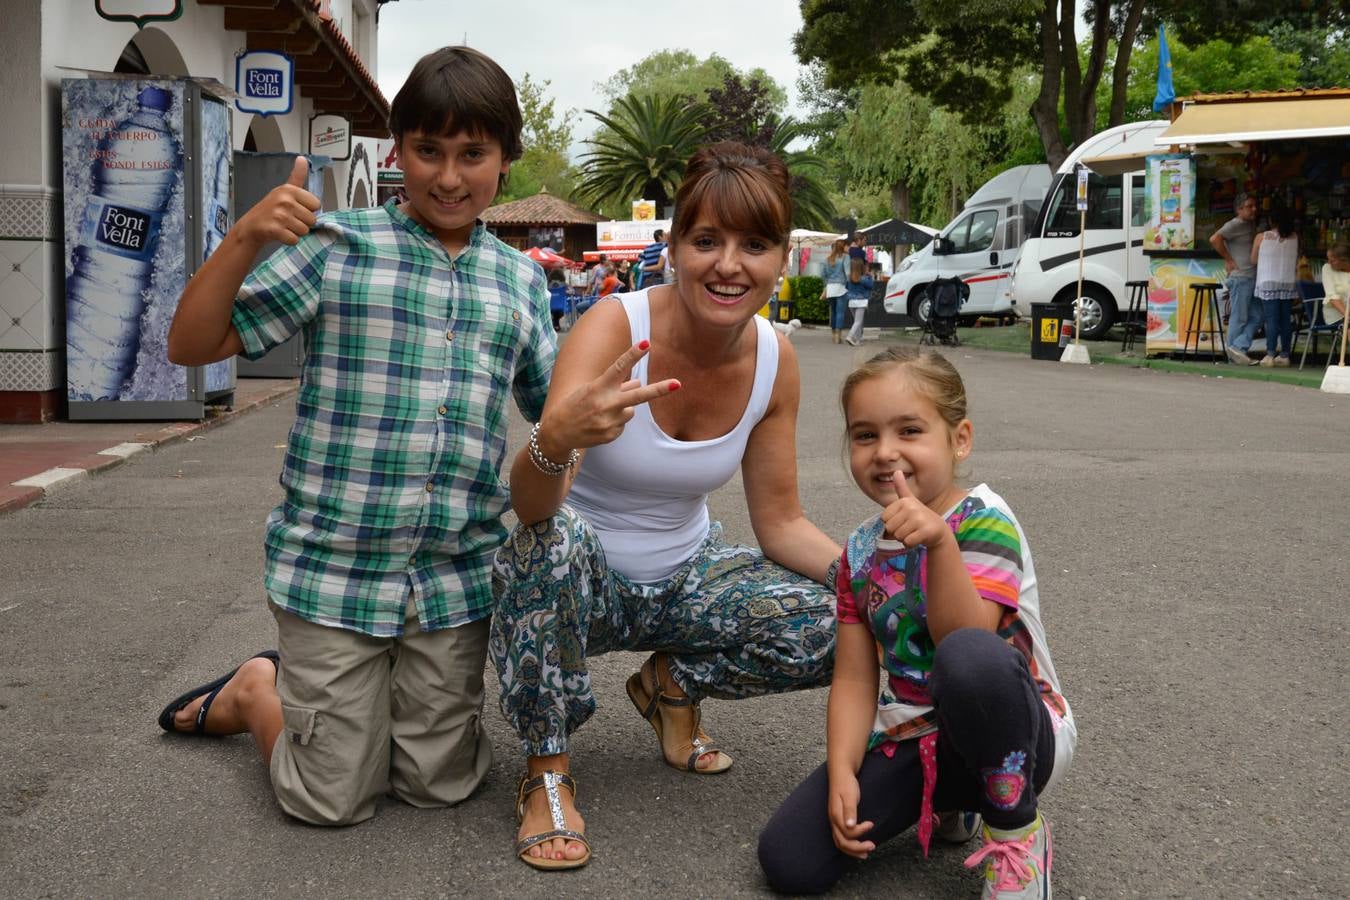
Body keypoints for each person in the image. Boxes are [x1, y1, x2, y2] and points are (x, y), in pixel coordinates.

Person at [155, 46, 556, 827]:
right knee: (327, 799)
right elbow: (190, 346)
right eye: (428, 151)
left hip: (452, 580)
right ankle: (254, 690)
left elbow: (553, 404)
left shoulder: (520, 280)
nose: (448, 177)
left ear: (505, 159)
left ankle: (372, 717)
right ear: (396, 150)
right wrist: (243, 240)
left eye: (473, 153)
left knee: (439, 785)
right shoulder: (336, 246)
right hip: (332, 574)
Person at [492, 141, 839, 870]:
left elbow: (780, 523)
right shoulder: (612, 330)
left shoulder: (777, 359)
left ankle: (670, 685)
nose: (728, 265)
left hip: (686, 576)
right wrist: (555, 439)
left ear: (780, 258)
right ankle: (546, 772)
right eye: (706, 240)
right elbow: (531, 508)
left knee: (844, 620)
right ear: (674, 247)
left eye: (755, 244)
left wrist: (877, 582)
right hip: (578, 584)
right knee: (540, 547)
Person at [758, 345, 1076, 897]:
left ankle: (1017, 831)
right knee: (790, 861)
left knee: (969, 660)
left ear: (959, 439)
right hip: (917, 731)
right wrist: (841, 773)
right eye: (864, 435)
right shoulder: (859, 553)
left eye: (909, 431)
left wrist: (940, 544)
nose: (885, 453)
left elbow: (967, 641)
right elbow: (856, 679)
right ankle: (954, 797)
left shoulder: (984, 520)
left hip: (1019, 734)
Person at [1209, 194, 1260, 365]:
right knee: (1239, 318)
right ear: (1239, 209)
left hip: (1250, 277)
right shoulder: (1235, 224)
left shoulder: (1249, 224)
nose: (1254, 209)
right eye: (1249, 206)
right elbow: (1215, 239)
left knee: (1258, 315)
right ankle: (1233, 354)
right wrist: (1229, 259)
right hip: (1241, 278)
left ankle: (1237, 349)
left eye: (1254, 206)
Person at [1253, 207, 1300, 367]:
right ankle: (1285, 355)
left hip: (1268, 282)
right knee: (1285, 320)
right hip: (1287, 283)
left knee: (1271, 320)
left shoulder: (1262, 237)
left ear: (1271, 221)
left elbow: (1253, 260)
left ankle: (1270, 355)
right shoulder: (1295, 237)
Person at [822, 239, 849, 343]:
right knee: (840, 312)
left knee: (833, 311)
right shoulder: (845, 257)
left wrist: (826, 285)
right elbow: (848, 273)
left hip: (830, 288)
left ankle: (833, 335)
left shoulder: (827, 259)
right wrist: (848, 284)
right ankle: (838, 335)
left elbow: (823, 275)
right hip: (841, 287)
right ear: (843, 247)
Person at [843, 256, 873, 347]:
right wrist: (870, 276)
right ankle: (850, 336)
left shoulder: (849, 279)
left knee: (857, 322)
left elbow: (846, 287)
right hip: (861, 301)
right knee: (858, 322)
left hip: (851, 302)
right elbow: (871, 286)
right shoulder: (864, 278)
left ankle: (858, 340)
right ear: (861, 267)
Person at [1320, 240, 1350, 330]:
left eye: (1332, 260)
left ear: (1344, 260)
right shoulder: (1327, 268)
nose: (1329, 262)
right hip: (1337, 314)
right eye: (1328, 259)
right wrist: (1348, 316)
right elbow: (1333, 297)